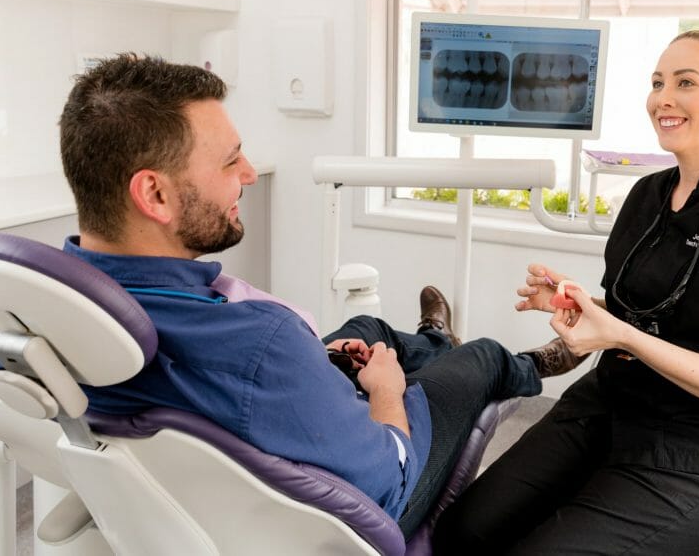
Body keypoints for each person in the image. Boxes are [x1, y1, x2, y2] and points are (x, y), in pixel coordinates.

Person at [55, 53, 573, 539]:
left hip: (234, 438)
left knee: (368, 332)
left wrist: (310, 365)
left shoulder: (58, 306)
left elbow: (231, 377)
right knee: (478, 357)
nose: (250, 174)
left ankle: (432, 339)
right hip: (356, 513)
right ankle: (526, 364)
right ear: (155, 194)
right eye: (231, 161)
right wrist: (389, 393)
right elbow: (389, 482)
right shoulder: (264, 342)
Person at [434, 30, 699, 555]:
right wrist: (582, 305)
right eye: (658, 83)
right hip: (608, 406)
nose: (663, 99)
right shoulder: (647, 194)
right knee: (461, 532)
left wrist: (622, 337)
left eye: (685, 83)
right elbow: (645, 313)